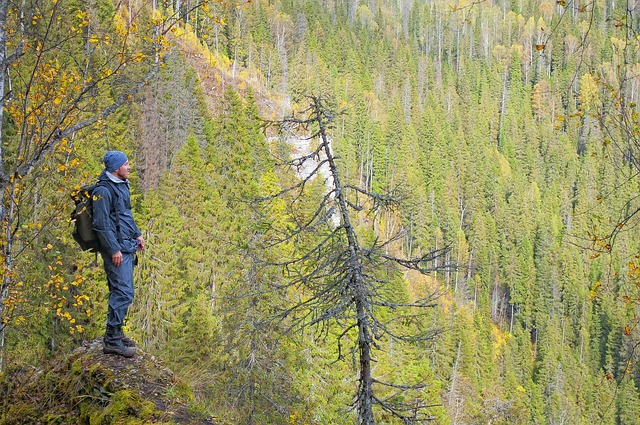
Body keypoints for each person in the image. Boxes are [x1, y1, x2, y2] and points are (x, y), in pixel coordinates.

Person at [92, 150, 145, 358]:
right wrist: (113, 249)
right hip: (116, 250)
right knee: (123, 292)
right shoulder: (104, 191)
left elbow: (125, 214)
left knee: (121, 291)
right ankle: (112, 341)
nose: (129, 167)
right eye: (126, 164)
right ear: (116, 168)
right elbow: (101, 225)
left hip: (126, 245)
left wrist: (137, 234)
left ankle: (116, 332)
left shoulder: (122, 185)